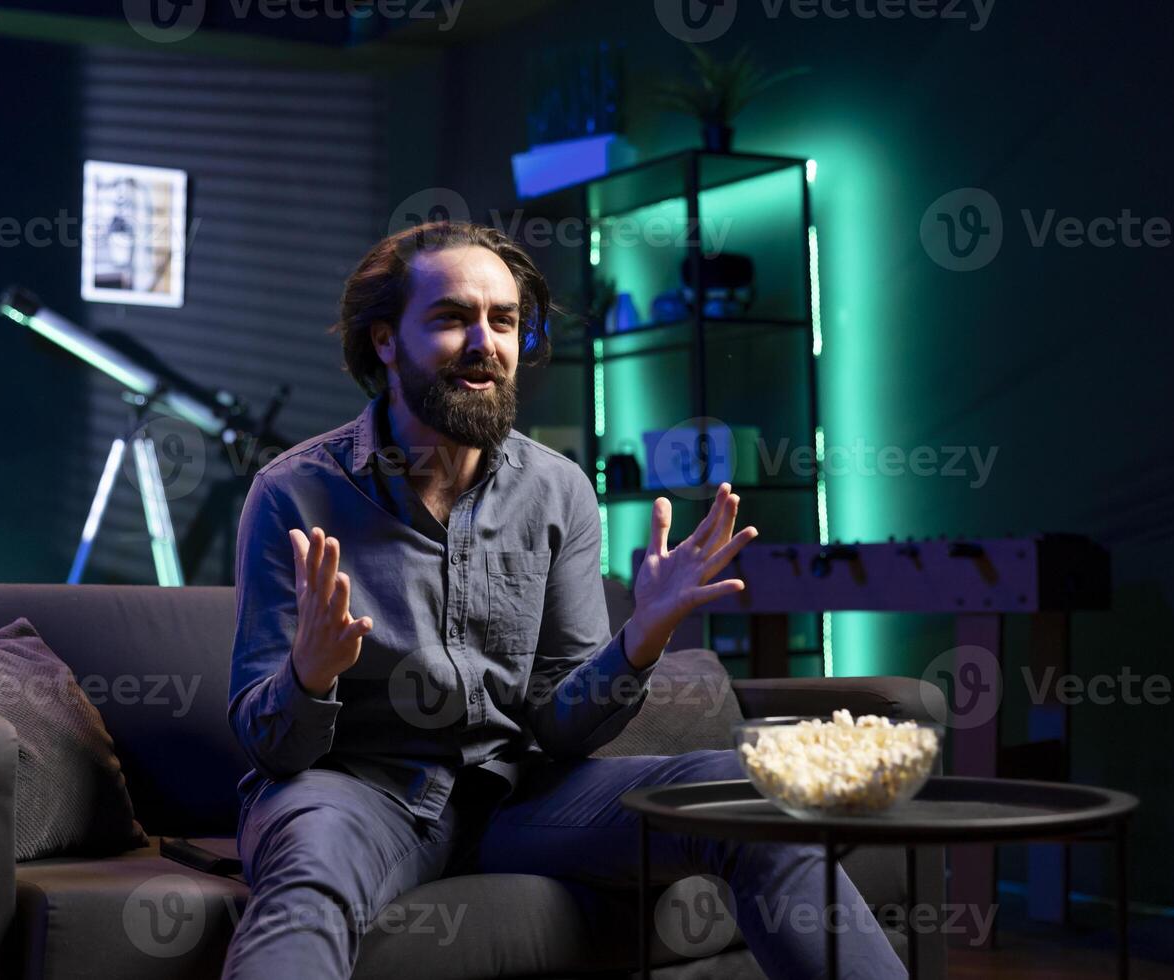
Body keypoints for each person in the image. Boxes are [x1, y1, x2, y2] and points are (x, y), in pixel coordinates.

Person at [223, 221, 905, 979]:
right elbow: (268, 747)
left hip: (521, 800)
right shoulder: (293, 494)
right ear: (385, 341)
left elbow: (563, 726)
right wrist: (310, 678)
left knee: (756, 795)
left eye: (503, 320)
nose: (485, 341)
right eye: (452, 318)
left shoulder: (558, 490)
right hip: (360, 795)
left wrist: (639, 638)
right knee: (307, 875)